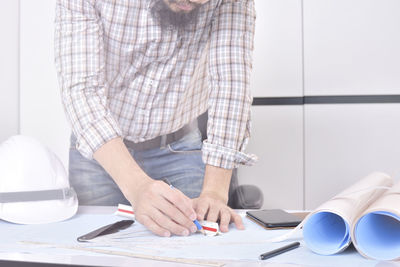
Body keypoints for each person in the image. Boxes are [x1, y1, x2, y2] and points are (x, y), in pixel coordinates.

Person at [54, 0, 256, 237]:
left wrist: (215, 192)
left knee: (190, 251)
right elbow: (82, 89)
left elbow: (231, 86)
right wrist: (136, 185)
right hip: (99, 155)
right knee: (96, 246)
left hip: (181, 148)